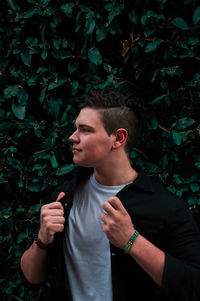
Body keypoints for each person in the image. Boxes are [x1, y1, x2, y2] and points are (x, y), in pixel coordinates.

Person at [20, 88, 200, 301]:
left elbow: (194, 287)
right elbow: (31, 278)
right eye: (75, 128)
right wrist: (42, 239)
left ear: (118, 138)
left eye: (85, 130)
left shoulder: (166, 207)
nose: (72, 137)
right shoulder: (64, 196)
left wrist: (131, 240)